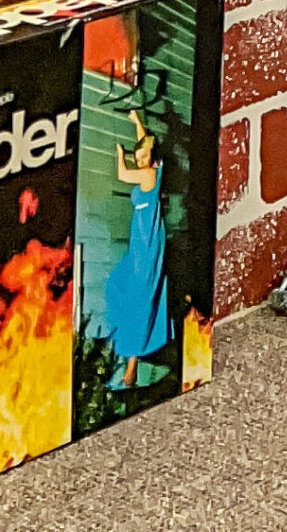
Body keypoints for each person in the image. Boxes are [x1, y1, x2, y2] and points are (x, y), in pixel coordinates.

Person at [102, 111, 168, 390]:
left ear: (151, 161)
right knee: (117, 284)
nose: (139, 160)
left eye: (142, 158)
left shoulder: (149, 174)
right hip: (140, 239)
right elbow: (145, 141)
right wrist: (136, 121)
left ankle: (132, 366)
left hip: (147, 243)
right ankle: (126, 346)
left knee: (139, 298)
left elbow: (121, 173)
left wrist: (120, 154)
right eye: (137, 157)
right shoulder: (152, 165)